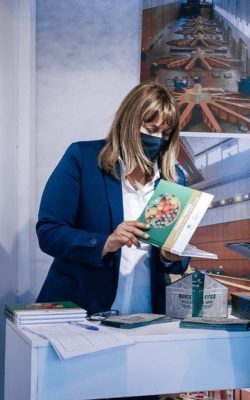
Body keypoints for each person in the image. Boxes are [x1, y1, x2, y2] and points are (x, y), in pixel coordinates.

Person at [36, 81, 189, 320]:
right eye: (151, 128)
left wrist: (171, 257)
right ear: (129, 121)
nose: (157, 138)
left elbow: (176, 261)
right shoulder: (82, 159)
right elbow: (49, 233)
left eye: (165, 133)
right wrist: (105, 242)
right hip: (82, 312)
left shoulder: (174, 180)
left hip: (147, 316)